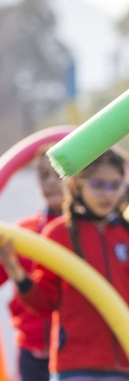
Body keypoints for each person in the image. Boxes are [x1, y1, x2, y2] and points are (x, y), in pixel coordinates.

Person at [0, 148, 129, 381]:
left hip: (123, 364)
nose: (108, 194)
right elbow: (44, 301)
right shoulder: (59, 233)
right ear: (75, 187)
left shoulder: (127, 234)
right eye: (98, 185)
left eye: (115, 186)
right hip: (74, 365)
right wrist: (18, 274)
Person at [0, 145, 61, 381]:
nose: (52, 183)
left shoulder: (85, 231)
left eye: (59, 175)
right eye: (45, 176)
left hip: (73, 348)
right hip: (32, 348)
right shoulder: (24, 231)